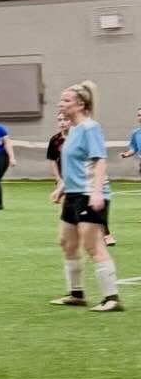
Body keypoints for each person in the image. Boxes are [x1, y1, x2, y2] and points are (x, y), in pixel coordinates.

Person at [51, 81, 122, 313]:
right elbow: (75, 165)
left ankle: (112, 298)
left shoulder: (91, 128)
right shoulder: (71, 130)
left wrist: (97, 191)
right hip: (73, 195)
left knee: (93, 246)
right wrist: (62, 187)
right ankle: (77, 294)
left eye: (66, 100)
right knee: (66, 243)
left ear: (80, 104)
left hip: (88, 194)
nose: (61, 104)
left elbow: (99, 160)